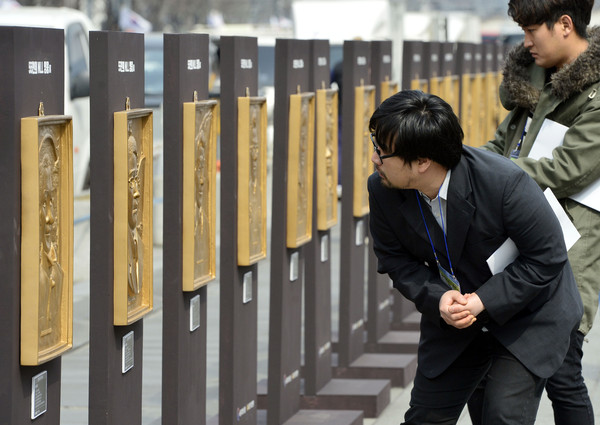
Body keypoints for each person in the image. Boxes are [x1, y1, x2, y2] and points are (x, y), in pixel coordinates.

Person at [367, 89, 583, 424]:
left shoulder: (503, 182)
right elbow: (395, 260)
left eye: (382, 151)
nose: (375, 159)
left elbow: (547, 256)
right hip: (456, 314)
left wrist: (483, 300)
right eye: (375, 146)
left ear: (423, 161)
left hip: (529, 311)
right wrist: (439, 299)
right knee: (425, 417)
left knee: (501, 415)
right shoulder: (383, 190)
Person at [470, 1, 600, 423]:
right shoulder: (533, 80)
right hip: (517, 242)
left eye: (531, 31)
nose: (525, 43)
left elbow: (566, 171)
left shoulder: (596, 95)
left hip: (571, 245)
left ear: (565, 25)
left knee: (563, 370)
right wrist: (461, 162)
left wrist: (490, 170)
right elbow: (502, 146)